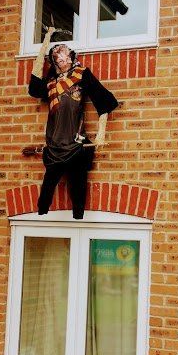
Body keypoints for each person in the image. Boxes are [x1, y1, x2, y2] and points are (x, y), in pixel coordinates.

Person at [28, 26, 118, 219]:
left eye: (64, 53)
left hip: (76, 144)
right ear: (54, 61)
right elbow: (34, 85)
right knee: (46, 192)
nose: (61, 57)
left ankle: (78, 217)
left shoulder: (82, 75)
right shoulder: (51, 83)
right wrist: (45, 40)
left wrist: (101, 134)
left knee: (78, 190)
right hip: (54, 145)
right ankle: (41, 214)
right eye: (57, 56)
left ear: (71, 55)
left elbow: (105, 100)